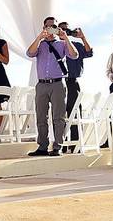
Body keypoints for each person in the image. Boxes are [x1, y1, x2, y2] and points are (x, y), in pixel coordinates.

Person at [26, 16, 78, 156]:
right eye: (48, 26)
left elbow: (74, 55)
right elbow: (30, 53)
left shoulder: (61, 44)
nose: (50, 29)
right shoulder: (40, 44)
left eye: (53, 26)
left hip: (57, 84)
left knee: (58, 117)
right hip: (42, 84)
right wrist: (39, 37)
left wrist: (65, 38)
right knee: (41, 116)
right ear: (44, 28)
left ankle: (57, 146)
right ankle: (42, 146)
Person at [59, 21, 93, 141]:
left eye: (67, 30)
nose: (64, 33)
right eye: (61, 30)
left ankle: (75, 142)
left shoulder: (75, 46)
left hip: (72, 82)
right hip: (58, 82)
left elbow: (89, 53)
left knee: (74, 111)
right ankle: (60, 142)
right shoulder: (55, 46)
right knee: (59, 113)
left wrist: (82, 38)